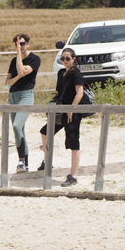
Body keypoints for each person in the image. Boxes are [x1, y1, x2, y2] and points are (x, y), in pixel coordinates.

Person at [38, 47, 88, 187]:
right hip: (60, 110)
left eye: (67, 58)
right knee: (45, 131)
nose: (65, 61)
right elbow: (60, 92)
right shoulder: (61, 73)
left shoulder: (76, 74)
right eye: (63, 58)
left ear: (74, 59)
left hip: (72, 112)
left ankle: (73, 176)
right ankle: (48, 161)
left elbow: (80, 93)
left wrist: (71, 109)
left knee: (73, 143)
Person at [4, 33, 41, 172]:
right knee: (19, 131)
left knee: (16, 125)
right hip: (13, 97)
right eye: (18, 44)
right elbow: (7, 83)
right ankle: (25, 165)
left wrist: (19, 55)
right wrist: (18, 76)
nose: (21, 46)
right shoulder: (13, 61)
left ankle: (20, 160)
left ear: (28, 44)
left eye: (23, 43)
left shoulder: (34, 59)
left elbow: (22, 70)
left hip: (26, 96)